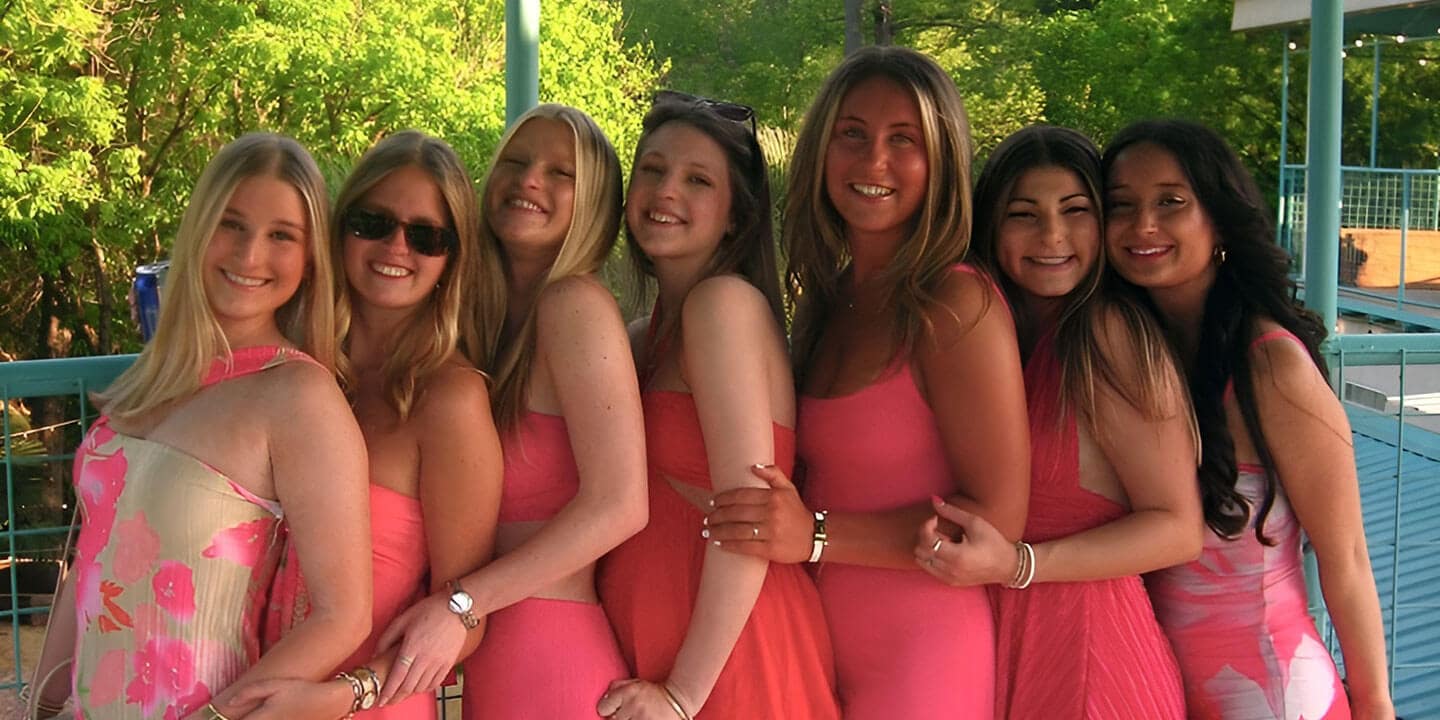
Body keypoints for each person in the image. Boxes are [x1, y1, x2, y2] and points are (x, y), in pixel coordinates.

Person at [703, 46, 1030, 719]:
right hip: (809, 644)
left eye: (902, 140)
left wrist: (818, 536)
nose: (873, 160)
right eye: (852, 134)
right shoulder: (825, 304)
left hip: (922, 655)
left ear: (939, 162)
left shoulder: (957, 304)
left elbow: (995, 518)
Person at [29, 133, 372, 719]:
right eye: (231, 224)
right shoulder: (152, 377)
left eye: (281, 236)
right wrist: (43, 705)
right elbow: (92, 556)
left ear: (310, 257)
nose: (248, 256)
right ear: (198, 229)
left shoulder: (299, 396)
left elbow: (342, 614)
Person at [1103, 119, 1395, 720]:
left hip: (1274, 694)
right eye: (1121, 205)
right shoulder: (1120, 354)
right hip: (1154, 689)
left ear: (1219, 221)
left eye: (1170, 203)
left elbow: (1347, 561)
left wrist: (1375, 706)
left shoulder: (1272, 366)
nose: (1143, 226)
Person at [222, 131, 506, 718]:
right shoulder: (292, 370)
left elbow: (462, 616)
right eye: (372, 222)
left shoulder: (450, 399)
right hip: (239, 687)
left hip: (361, 706)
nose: (396, 247)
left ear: (452, 258)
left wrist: (339, 696)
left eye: (426, 236)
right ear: (339, 230)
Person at [379, 105, 647, 720]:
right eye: (517, 162)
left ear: (595, 205)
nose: (530, 180)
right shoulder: (471, 319)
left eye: (561, 173)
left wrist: (460, 604)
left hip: (543, 657)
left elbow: (622, 504)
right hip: (462, 652)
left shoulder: (575, 305)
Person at [927, 125, 1198, 718]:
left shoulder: (1105, 334)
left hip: (1091, 660)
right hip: (993, 648)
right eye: (1024, 214)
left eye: (1075, 211)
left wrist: (1020, 565)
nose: (1052, 236)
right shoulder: (983, 334)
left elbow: (1178, 527)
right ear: (992, 228)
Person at [594, 93, 840, 720]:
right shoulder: (641, 334)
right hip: (649, 648)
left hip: (730, 660)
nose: (666, 189)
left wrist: (683, 694)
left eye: (697, 179)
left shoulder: (722, 306)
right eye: (651, 169)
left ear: (735, 217)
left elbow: (750, 513)